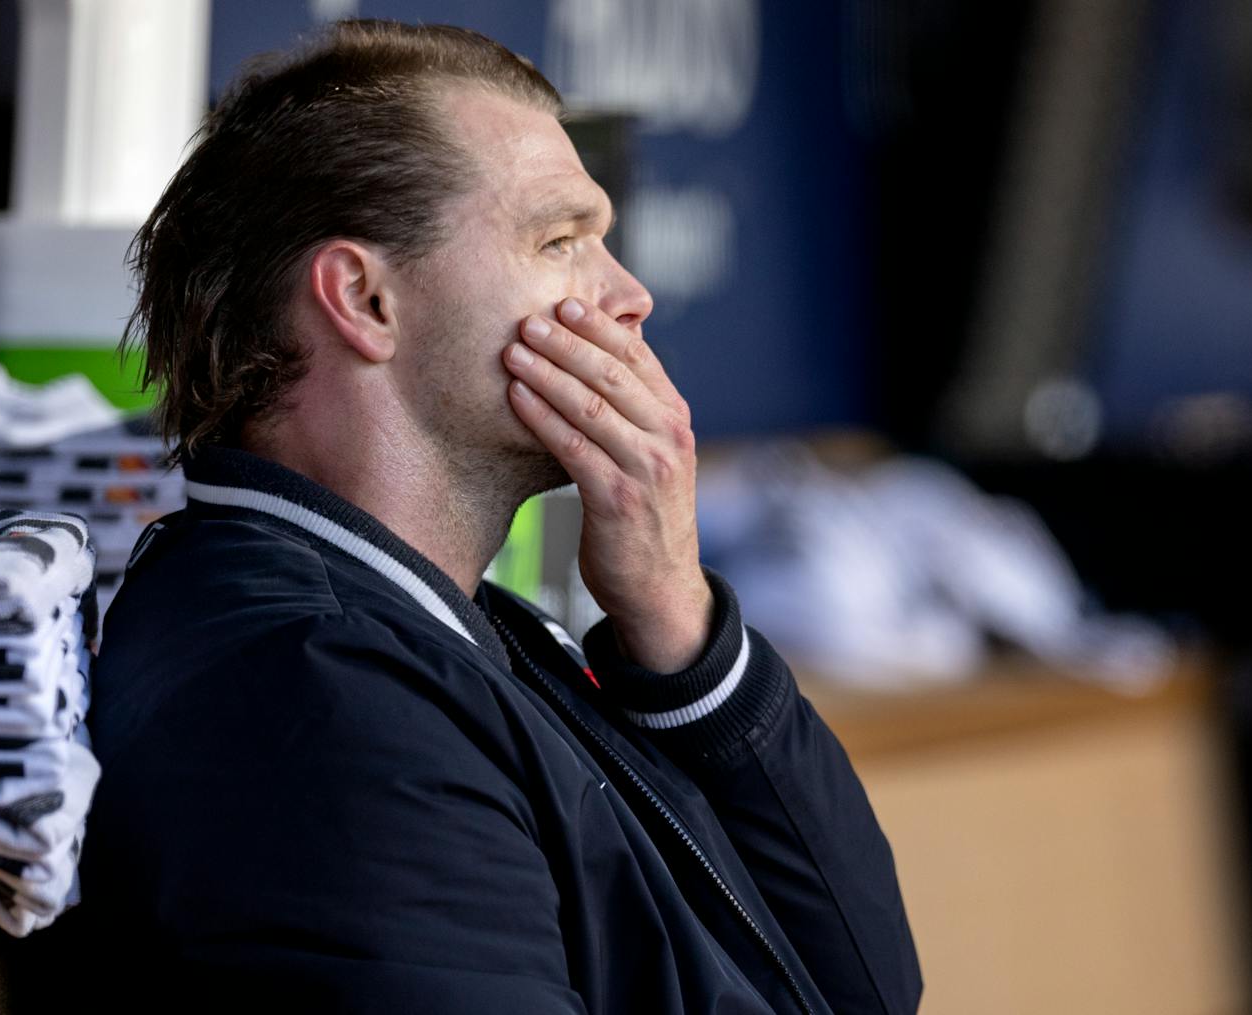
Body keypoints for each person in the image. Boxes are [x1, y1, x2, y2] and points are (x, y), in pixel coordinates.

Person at [81, 19, 921, 1013]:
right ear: (363, 299)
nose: (628, 294)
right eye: (559, 240)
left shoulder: (458, 629)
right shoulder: (318, 690)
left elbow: (862, 986)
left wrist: (675, 625)